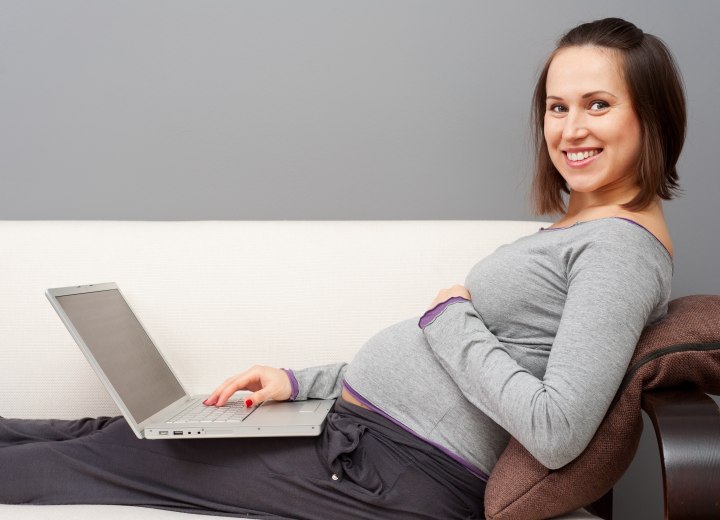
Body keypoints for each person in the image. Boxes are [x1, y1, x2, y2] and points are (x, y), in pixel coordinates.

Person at [0, 17, 686, 520]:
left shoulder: (621, 253)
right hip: (359, 442)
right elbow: (449, 361)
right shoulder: (583, 229)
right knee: (106, 433)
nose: (569, 131)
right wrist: (297, 381)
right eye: (557, 108)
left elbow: (557, 430)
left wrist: (452, 318)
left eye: (598, 105)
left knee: (86, 462)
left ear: (649, 115)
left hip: (391, 476)